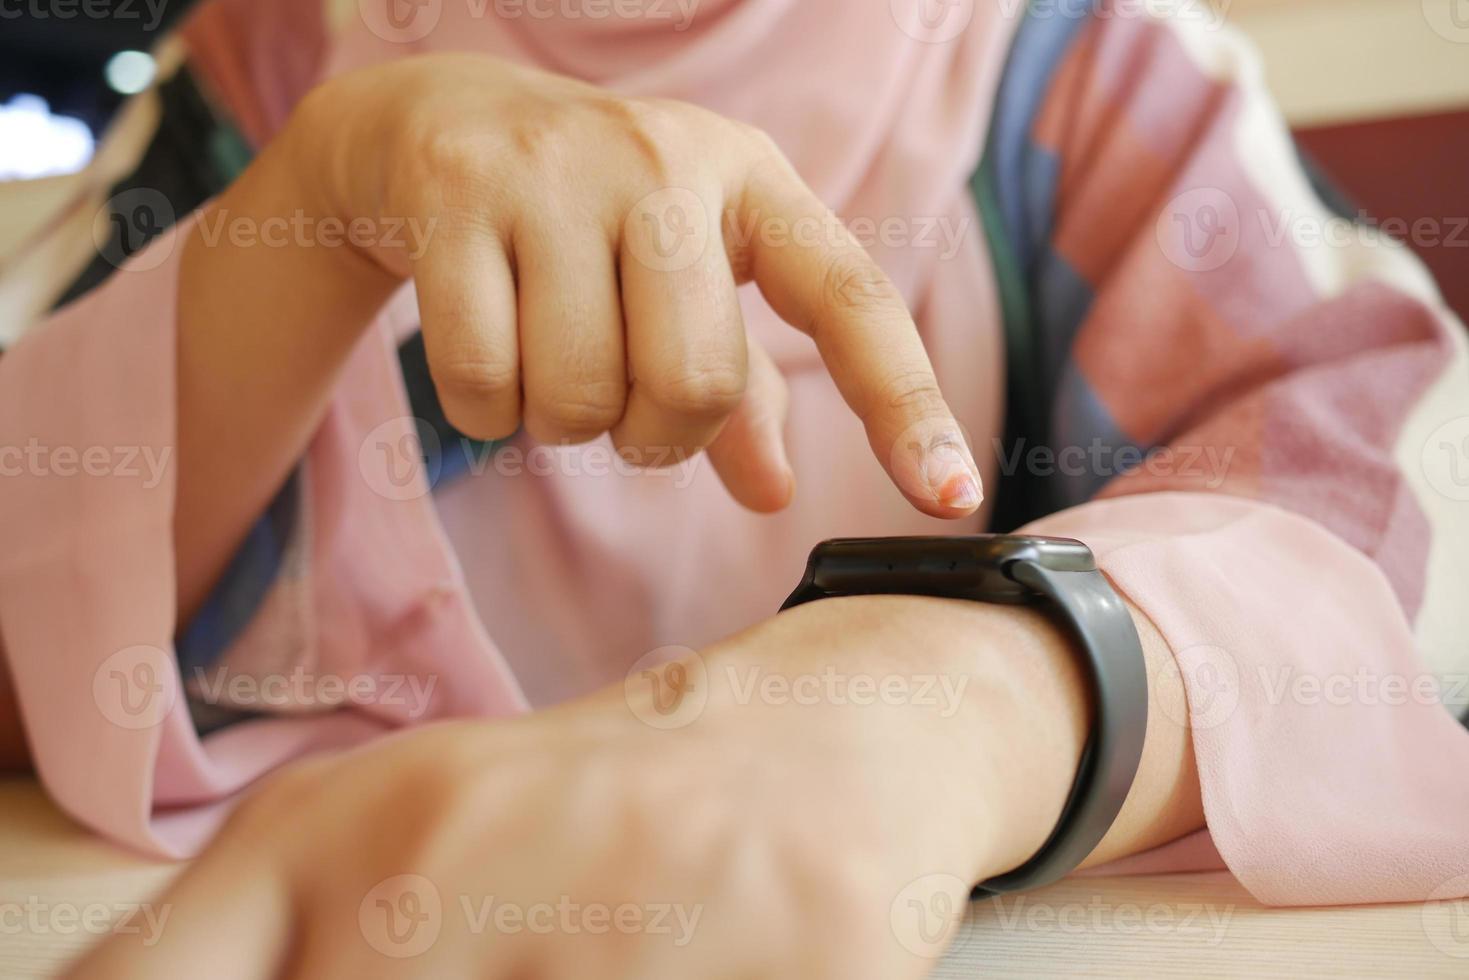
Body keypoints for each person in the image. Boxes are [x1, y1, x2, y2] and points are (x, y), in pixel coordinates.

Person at [0, 0, 1464, 975]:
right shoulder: (253, 76)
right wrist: (311, 213)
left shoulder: (1085, 71)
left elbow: (1394, 498)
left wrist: (954, 699)